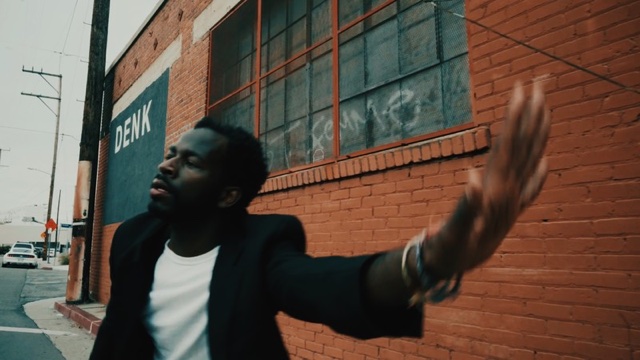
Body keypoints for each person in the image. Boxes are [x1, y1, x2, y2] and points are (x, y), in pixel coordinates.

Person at [90, 82, 550, 359]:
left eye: (190, 163)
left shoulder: (261, 248)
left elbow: (328, 284)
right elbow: (116, 335)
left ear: (229, 195)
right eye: (171, 154)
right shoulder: (134, 240)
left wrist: (430, 262)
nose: (167, 165)